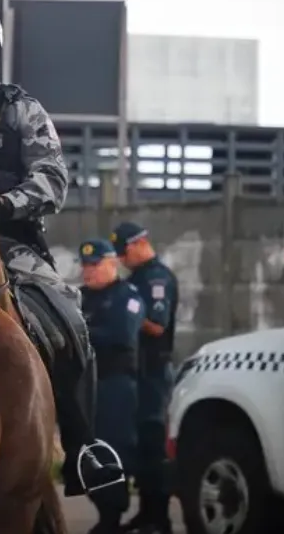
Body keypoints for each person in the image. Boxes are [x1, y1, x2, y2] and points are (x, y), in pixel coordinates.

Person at [0, 4, 103, 495]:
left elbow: (53, 180)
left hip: (10, 244)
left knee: (68, 317)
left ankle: (83, 445)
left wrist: (0, 209)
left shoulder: (21, 109)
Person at [112, 221, 179, 534]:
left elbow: (157, 325)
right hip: (135, 374)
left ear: (139, 243)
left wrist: (126, 316)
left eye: (124, 251)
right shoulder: (136, 277)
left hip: (154, 374)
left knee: (153, 446)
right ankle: (145, 513)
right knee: (137, 446)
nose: (122, 259)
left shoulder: (157, 278)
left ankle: (160, 519)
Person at [79, 239, 143, 534]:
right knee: (86, 455)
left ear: (112, 264)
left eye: (95, 265)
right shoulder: (78, 298)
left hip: (115, 387)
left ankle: (112, 518)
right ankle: (105, 512)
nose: (88, 272)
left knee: (114, 452)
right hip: (86, 388)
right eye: (85, 266)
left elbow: (121, 335)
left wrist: (80, 332)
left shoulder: (127, 296)